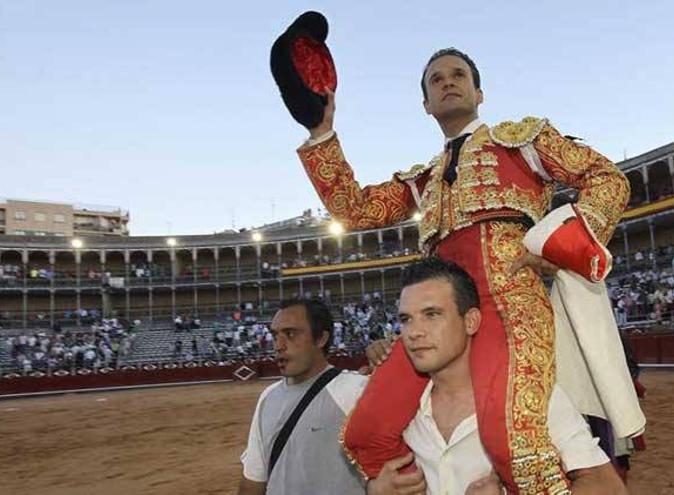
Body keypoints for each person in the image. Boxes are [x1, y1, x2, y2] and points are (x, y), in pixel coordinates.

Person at [295, 46, 633, 493]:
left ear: (479, 92)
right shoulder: (423, 179)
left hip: (511, 304)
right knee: (365, 433)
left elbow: (608, 178)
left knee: (514, 439)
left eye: (458, 75)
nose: (448, 82)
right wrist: (322, 130)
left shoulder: (524, 142)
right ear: (425, 104)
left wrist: (566, 245)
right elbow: (354, 209)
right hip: (440, 312)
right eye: (436, 79)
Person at [367, 258, 625, 495]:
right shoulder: (399, 408)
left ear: (471, 322)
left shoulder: (528, 393)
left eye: (432, 314)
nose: (414, 332)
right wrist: (374, 491)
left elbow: (608, 486)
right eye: (406, 319)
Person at [237, 298, 367, 495]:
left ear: (321, 339)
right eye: (275, 336)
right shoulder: (268, 398)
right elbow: (254, 480)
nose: (278, 346)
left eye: (290, 334)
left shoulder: (355, 390)